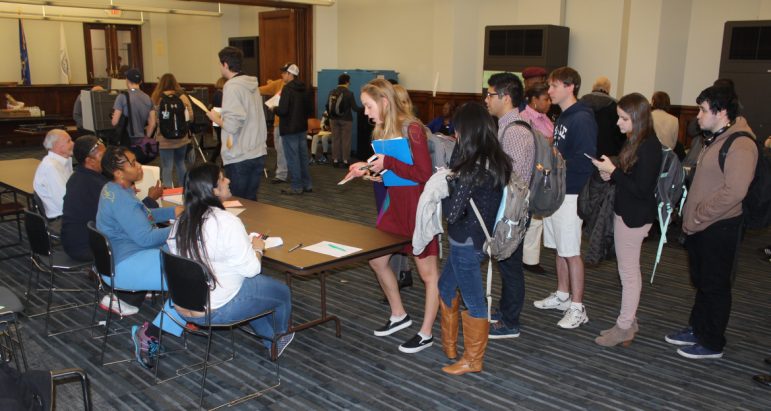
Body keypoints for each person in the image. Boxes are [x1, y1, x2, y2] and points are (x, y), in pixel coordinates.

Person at [346, 78, 440, 354]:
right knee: (376, 259)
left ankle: (426, 332)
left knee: (428, 273)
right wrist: (368, 169)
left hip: (417, 206)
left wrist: (388, 163)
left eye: (368, 105)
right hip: (394, 205)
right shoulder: (381, 132)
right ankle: (399, 314)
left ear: (385, 102)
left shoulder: (412, 130)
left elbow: (423, 173)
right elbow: (391, 172)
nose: (365, 111)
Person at [665, 85, 757, 359]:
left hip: (719, 226)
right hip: (702, 225)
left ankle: (712, 342)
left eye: (704, 111)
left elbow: (735, 191)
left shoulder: (740, 143)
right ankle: (698, 328)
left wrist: (700, 213)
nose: (698, 117)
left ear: (722, 112)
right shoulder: (716, 137)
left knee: (715, 285)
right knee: (703, 282)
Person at [168, 163, 295, 357]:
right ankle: (278, 337)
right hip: (216, 309)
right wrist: (257, 248)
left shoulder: (182, 221)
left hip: (183, 306)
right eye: (222, 179)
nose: (228, 180)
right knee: (281, 292)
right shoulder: (226, 222)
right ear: (212, 190)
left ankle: (269, 338)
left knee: (254, 288)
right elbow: (253, 269)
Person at [96, 146, 187, 368]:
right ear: (118, 172)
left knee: (187, 267)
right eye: (133, 163)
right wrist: (182, 228)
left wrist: (171, 213)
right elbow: (146, 238)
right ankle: (150, 333)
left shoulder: (113, 189)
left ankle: (183, 312)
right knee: (188, 281)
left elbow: (141, 217)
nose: (138, 166)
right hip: (126, 263)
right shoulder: (122, 198)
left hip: (121, 257)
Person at [439, 102, 511, 374]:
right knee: (445, 287)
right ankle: (450, 345)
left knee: (474, 300)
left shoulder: (472, 169)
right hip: (477, 240)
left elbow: (453, 213)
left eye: (457, 130)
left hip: (465, 242)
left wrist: (444, 187)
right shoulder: (495, 160)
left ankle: (473, 360)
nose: (454, 135)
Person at [590, 93, 662, 347]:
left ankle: (624, 326)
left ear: (638, 118)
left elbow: (641, 189)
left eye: (623, 118)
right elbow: (629, 177)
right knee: (628, 272)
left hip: (635, 216)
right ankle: (628, 321)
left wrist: (614, 172)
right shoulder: (637, 140)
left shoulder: (649, 146)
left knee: (628, 274)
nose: (618, 124)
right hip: (629, 211)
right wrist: (612, 173)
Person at [534, 66, 597, 329]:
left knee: (571, 251)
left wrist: (555, 165)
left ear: (570, 87)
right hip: (557, 190)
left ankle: (577, 306)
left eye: (554, 86)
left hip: (571, 192)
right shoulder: (563, 117)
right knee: (560, 247)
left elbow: (585, 161)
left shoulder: (581, 118)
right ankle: (562, 294)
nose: (549, 91)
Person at [484, 73, 535, 339]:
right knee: (507, 262)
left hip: (511, 210)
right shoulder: (509, 125)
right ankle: (506, 312)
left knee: (510, 265)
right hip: (510, 207)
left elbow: (509, 177)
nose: (487, 99)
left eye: (490, 94)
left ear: (505, 97)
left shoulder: (514, 131)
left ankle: (510, 321)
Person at [206, 46, 269, 201]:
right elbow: (245, 116)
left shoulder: (232, 86)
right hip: (257, 152)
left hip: (240, 155)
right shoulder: (252, 84)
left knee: (236, 203)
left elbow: (232, 125)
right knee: (251, 202)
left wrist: (215, 118)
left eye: (220, 64)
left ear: (225, 64)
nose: (220, 67)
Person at [518, 82, 554, 274]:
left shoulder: (545, 118)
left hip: (545, 171)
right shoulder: (525, 118)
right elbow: (534, 142)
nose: (549, 102)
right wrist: (549, 140)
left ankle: (530, 258)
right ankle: (528, 259)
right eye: (545, 99)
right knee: (532, 217)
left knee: (537, 216)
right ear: (533, 100)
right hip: (533, 172)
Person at [275, 63, 312, 195]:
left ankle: (296, 186)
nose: (282, 75)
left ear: (291, 74)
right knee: (302, 157)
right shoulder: (305, 88)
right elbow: (309, 110)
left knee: (293, 158)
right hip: (302, 128)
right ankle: (307, 184)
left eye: (284, 73)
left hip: (289, 129)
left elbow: (283, 110)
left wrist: (274, 109)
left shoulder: (287, 89)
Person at [151, 73, 194, 187]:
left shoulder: (157, 98)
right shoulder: (182, 97)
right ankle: (184, 189)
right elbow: (190, 116)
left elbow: (154, 119)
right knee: (180, 163)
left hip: (164, 139)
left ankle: (168, 192)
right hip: (182, 138)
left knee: (167, 167)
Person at [111, 68, 156, 164]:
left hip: (127, 141)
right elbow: (152, 124)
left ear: (127, 80)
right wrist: (145, 137)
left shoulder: (122, 97)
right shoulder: (148, 98)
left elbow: (114, 121)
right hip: (141, 143)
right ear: (140, 81)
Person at [580, 76, 626, 157]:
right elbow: (620, 135)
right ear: (608, 89)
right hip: (607, 155)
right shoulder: (615, 106)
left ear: (593, 87)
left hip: (583, 152)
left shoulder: (581, 103)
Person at [33, 129, 73, 219]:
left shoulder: (64, 161)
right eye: (69, 141)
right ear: (57, 146)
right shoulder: (51, 167)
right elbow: (63, 203)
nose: (73, 143)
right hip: (60, 218)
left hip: (66, 212)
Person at [257, 75, 288, 184]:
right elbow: (261, 90)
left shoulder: (289, 86)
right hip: (279, 122)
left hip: (286, 123)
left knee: (282, 149)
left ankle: (281, 174)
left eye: (285, 73)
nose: (283, 75)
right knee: (280, 149)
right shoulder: (279, 83)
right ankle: (283, 171)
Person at [327, 73, 360, 168]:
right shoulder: (349, 93)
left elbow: (327, 106)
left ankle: (335, 160)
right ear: (347, 82)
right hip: (346, 120)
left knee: (335, 139)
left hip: (333, 119)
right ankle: (345, 160)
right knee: (346, 140)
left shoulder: (331, 92)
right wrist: (365, 108)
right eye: (349, 81)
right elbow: (355, 108)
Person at [209, 77, 226, 164]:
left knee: (221, 141)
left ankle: (216, 160)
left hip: (216, 120)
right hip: (219, 119)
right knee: (222, 142)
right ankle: (214, 160)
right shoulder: (220, 95)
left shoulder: (217, 93)